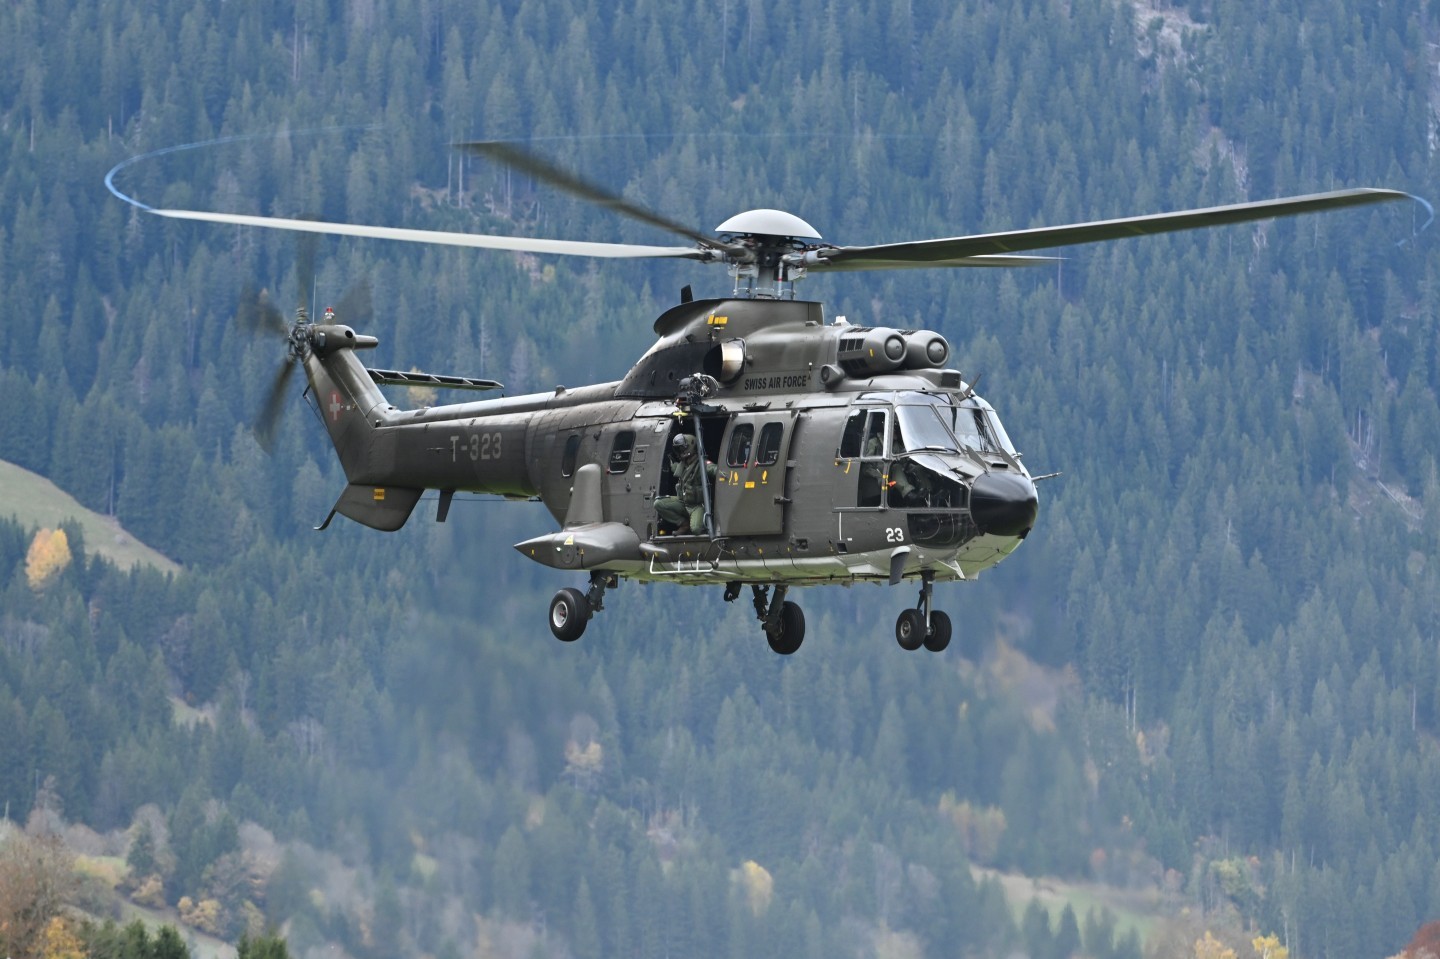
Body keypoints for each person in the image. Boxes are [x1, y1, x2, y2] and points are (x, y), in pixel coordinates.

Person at [656, 433, 716, 534]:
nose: (680, 452)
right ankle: (683, 524)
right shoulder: (681, 466)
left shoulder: (701, 465)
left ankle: (701, 524)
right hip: (683, 503)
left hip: (697, 506)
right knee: (659, 503)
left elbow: (713, 469)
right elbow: (675, 468)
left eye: (682, 448)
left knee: (696, 529)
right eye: (678, 449)